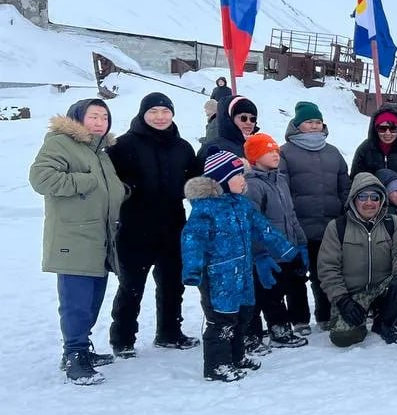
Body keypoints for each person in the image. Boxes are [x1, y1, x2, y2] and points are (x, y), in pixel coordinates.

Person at [30, 98, 128, 385]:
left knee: (93, 300)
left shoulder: (99, 152)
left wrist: (122, 192)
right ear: (77, 118)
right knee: (76, 302)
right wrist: (84, 182)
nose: (99, 122)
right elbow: (41, 178)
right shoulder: (61, 143)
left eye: (104, 117)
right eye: (93, 116)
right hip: (73, 237)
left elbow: (106, 188)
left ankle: (82, 348)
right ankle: (74, 355)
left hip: (100, 237)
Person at [181, 151, 298, 381]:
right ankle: (217, 366)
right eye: (238, 176)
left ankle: (237, 357)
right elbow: (192, 240)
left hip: (242, 273)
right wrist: (192, 270)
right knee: (222, 321)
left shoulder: (243, 204)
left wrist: (285, 249)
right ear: (222, 180)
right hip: (217, 277)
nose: (244, 180)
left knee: (243, 316)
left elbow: (263, 228)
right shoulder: (205, 209)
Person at [106, 92, 200, 356]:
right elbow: (110, 183)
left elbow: (195, 182)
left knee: (172, 284)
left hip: (172, 225)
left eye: (165, 111)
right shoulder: (123, 145)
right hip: (135, 227)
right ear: (143, 114)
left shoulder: (183, 147)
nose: (160, 117)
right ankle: (122, 339)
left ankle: (169, 332)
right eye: (153, 112)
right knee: (131, 286)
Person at [278, 101, 350, 335]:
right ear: (298, 125)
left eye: (318, 122)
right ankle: (299, 319)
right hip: (297, 226)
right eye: (309, 122)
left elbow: (344, 186)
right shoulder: (285, 152)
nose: (314, 126)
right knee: (295, 275)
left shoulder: (333, 152)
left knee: (325, 274)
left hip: (329, 226)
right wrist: (288, 219)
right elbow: (281, 188)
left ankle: (325, 315)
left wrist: (344, 213)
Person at [317, 174, 397, 346]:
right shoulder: (337, 227)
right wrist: (342, 300)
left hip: (384, 289)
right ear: (354, 199)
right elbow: (328, 268)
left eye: (375, 197)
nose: (369, 202)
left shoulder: (394, 223)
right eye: (363, 197)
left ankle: (384, 321)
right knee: (343, 338)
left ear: (381, 200)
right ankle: (361, 315)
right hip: (352, 294)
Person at [243, 133, 311, 348]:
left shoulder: (280, 180)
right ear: (255, 156)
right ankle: (271, 332)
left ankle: (279, 328)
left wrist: (301, 243)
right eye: (268, 151)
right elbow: (252, 223)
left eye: (276, 151)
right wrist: (260, 253)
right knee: (268, 294)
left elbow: (291, 215)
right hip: (267, 253)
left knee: (279, 291)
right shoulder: (252, 185)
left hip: (286, 249)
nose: (275, 155)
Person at [350, 104, 397, 240]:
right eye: (382, 128)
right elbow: (357, 178)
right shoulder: (365, 149)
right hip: (373, 206)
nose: (388, 133)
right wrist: (384, 193)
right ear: (375, 129)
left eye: (393, 128)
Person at [198, 93, 259, 171]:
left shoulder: (257, 145)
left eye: (253, 119)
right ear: (230, 119)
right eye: (243, 118)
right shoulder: (217, 149)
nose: (249, 122)